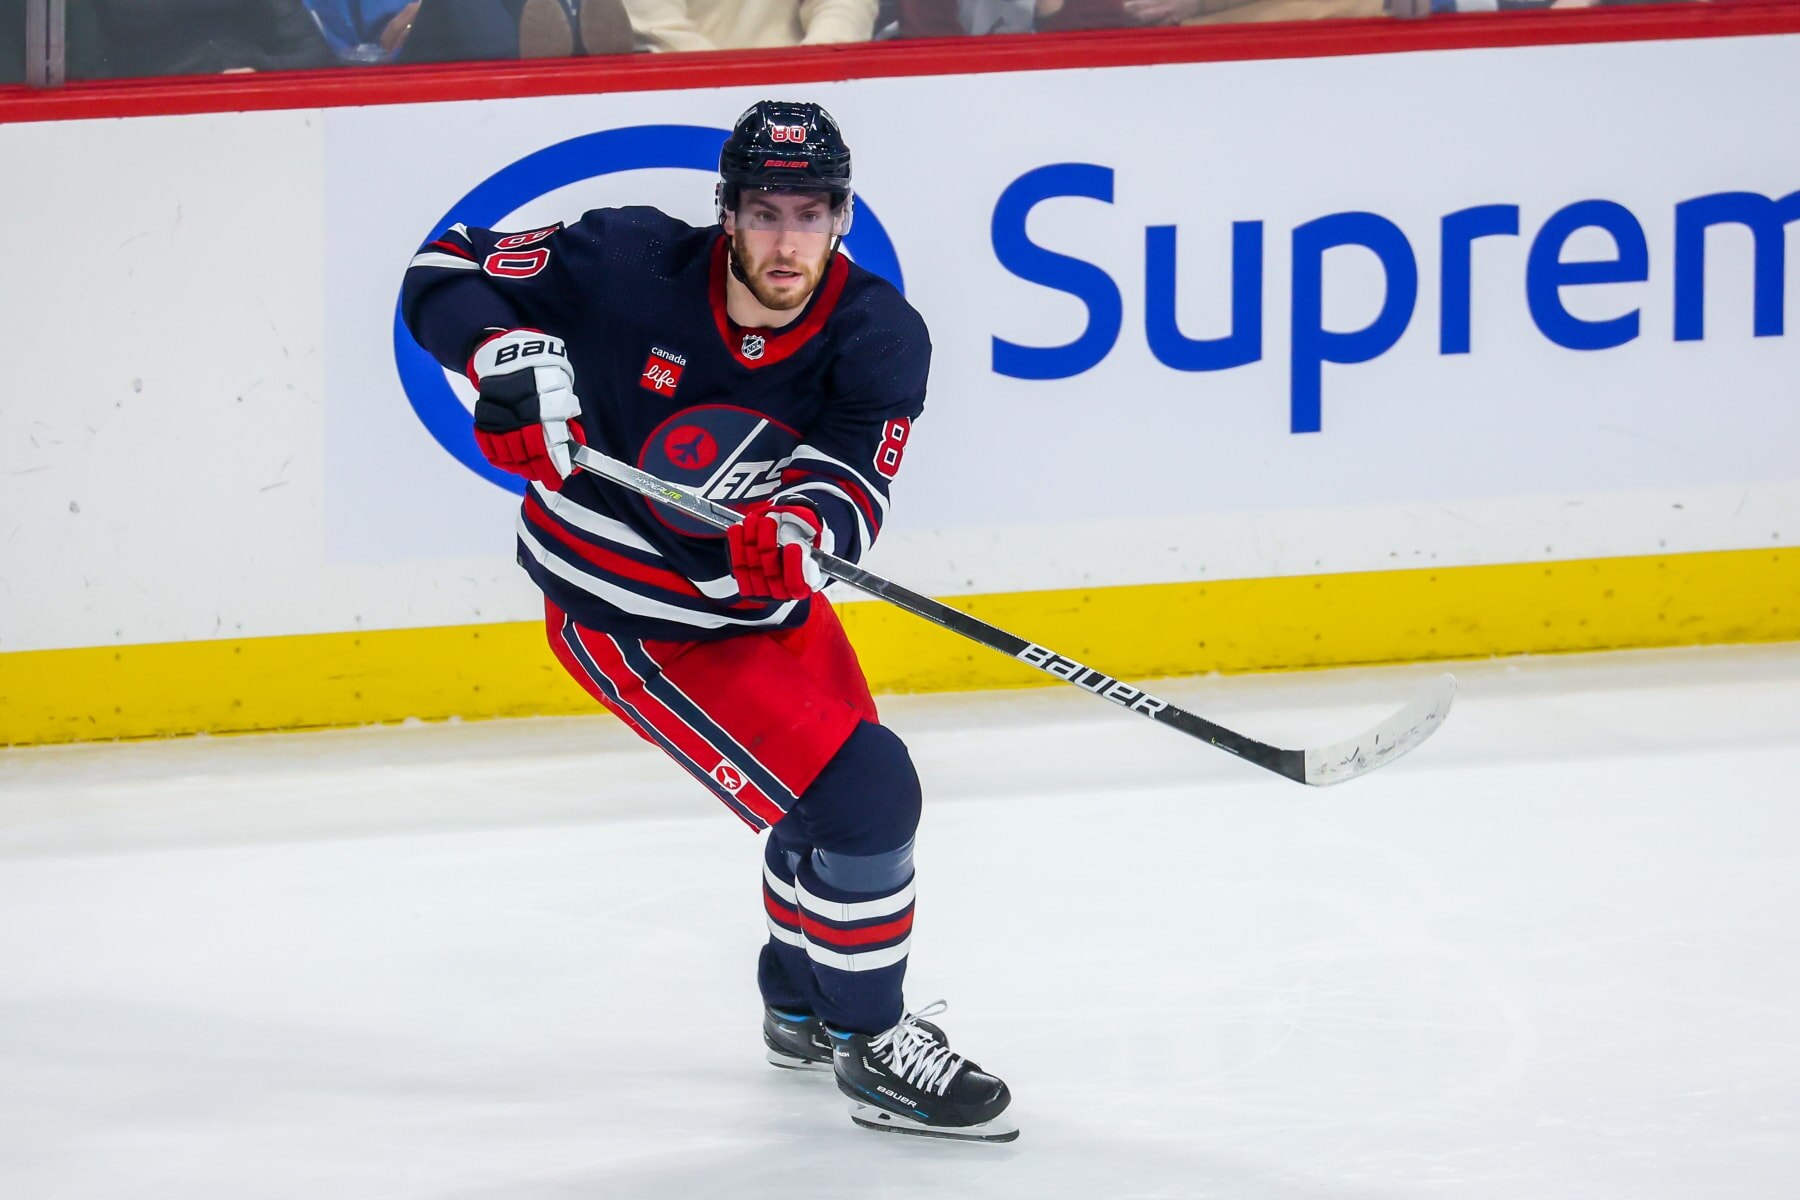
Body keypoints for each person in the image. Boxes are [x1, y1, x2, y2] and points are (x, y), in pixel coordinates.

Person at [400, 101, 1017, 1143]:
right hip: (629, 618)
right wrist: (499, 354)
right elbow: (438, 270)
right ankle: (874, 1045)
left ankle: (800, 1000)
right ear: (726, 212)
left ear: (841, 220)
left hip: (759, 608)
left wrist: (800, 524)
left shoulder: (876, 332)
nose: (786, 242)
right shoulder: (626, 259)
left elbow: (853, 482)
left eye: (810, 215)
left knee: (833, 806)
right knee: (869, 797)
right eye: (765, 212)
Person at [619, 0, 876, 52]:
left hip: (809, 92)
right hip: (687, 102)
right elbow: (661, 31)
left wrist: (815, 68)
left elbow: (845, 7)